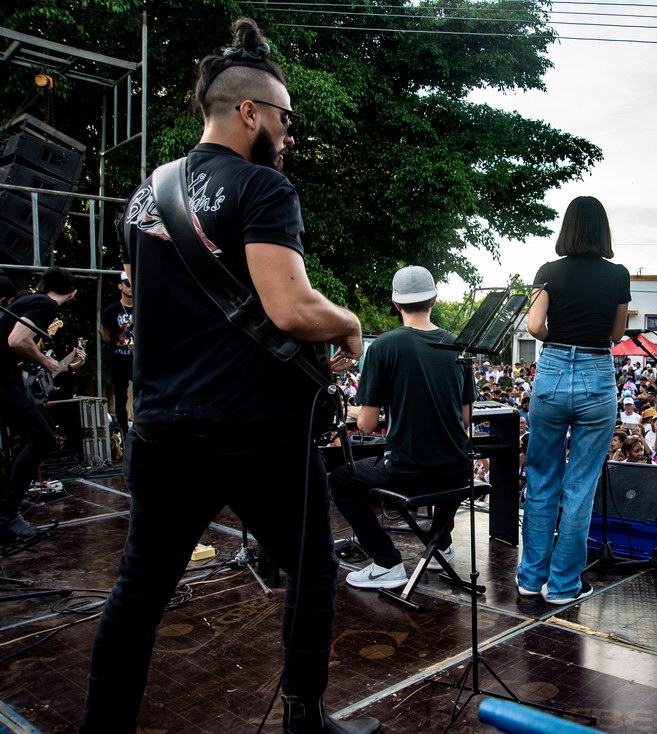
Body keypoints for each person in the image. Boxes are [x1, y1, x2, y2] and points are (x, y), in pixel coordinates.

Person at [79, 19, 377, 734]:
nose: (290, 133)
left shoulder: (145, 197)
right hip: (253, 429)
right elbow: (291, 307)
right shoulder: (262, 187)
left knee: (141, 586)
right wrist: (350, 325)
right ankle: (304, 718)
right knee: (310, 567)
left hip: (160, 425)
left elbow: (131, 296)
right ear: (249, 113)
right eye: (285, 118)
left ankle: (101, 725)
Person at [328, 267, 475, 589]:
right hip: (457, 468)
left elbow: (367, 424)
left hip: (408, 471)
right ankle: (441, 544)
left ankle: (386, 563)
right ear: (435, 299)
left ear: (396, 304)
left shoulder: (383, 346)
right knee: (443, 468)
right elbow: (465, 418)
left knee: (340, 480)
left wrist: (356, 409)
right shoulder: (458, 346)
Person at [516, 195, 629, 604]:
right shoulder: (618, 275)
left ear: (567, 227)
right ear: (603, 230)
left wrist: (559, 341)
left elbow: (534, 325)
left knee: (542, 477)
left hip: (553, 371)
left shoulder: (548, 271)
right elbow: (616, 337)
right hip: (597, 375)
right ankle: (562, 585)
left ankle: (530, 578)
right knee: (581, 486)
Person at [0, 267, 85, 540]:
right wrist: (47, 361)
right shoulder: (45, 304)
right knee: (41, 437)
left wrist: (60, 365)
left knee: (39, 428)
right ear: (72, 292)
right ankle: (6, 514)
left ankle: (9, 498)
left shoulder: (27, 302)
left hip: (7, 379)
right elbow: (17, 341)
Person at [100, 270, 134, 436]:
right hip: (119, 360)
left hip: (138, 361)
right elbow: (105, 335)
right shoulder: (111, 311)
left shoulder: (143, 308)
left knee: (144, 394)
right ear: (120, 286)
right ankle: (124, 431)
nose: (131, 287)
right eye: (128, 283)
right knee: (120, 397)